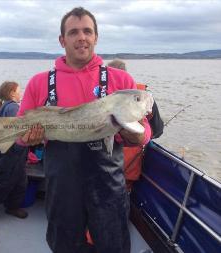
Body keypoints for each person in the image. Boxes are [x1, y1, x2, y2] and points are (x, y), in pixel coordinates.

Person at [14, 7, 152, 253]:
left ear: (96, 37)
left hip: (108, 186)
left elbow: (144, 133)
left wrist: (136, 134)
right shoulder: (39, 82)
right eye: (74, 32)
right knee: (65, 245)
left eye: (88, 31)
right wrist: (27, 138)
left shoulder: (121, 82)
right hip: (62, 186)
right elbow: (20, 138)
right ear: (62, 40)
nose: (82, 37)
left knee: (114, 246)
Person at [108, 59, 164, 191]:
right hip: (128, 168)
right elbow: (158, 130)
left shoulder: (103, 96)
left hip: (104, 167)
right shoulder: (143, 94)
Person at [0, 81, 29, 219]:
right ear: (12, 93)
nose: (21, 93)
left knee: (19, 180)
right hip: (11, 151)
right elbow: (18, 129)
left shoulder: (4, 107)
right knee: (2, 181)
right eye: (19, 91)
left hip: (7, 150)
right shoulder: (13, 108)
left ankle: (12, 206)